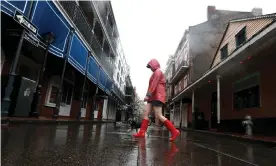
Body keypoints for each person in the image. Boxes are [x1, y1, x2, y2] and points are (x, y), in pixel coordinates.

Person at [133, 59, 180, 141]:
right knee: (146, 113)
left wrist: (148, 95)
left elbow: (154, 84)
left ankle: (174, 131)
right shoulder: (155, 73)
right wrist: (148, 96)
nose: (150, 68)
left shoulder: (158, 71)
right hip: (152, 96)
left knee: (158, 115)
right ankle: (142, 132)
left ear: (154, 65)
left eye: (150, 66)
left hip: (158, 95)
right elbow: (151, 86)